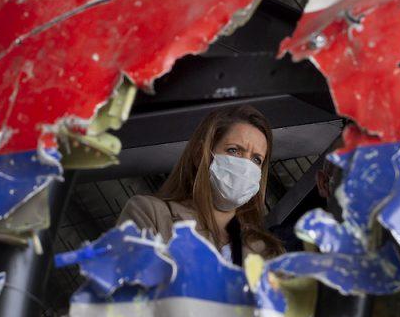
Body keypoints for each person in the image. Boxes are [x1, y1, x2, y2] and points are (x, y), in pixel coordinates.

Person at [117, 105, 284, 262]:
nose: (246, 167)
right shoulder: (150, 214)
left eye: (256, 159)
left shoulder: (268, 253)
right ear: (200, 155)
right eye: (234, 150)